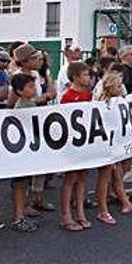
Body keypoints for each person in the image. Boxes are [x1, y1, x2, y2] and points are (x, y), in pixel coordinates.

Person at [91, 66, 132, 226]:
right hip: (106, 145)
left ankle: (125, 202)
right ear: (110, 87)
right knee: (104, 177)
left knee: (118, 175)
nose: (121, 89)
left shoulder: (117, 101)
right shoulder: (103, 103)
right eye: (118, 86)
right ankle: (102, 210)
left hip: (116, 144)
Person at [57, 62, 95, 231]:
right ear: (75, 77)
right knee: (71, 178)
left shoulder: (89, 94)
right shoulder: (68, 96)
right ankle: (66, 215)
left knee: (82, 177)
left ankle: (80, 212)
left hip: (86, 141)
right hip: (73, 143)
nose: (89, 78)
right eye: (86, 75)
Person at [7, 73, 40, 233]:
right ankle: (18, 217)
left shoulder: (31, 104)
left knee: (24, 183)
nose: (34, 89)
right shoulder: (21, 107)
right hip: (22, 150)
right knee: (19, 184)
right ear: (20, 91)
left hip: (28, 149)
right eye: (30, 86)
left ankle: (22, 212)